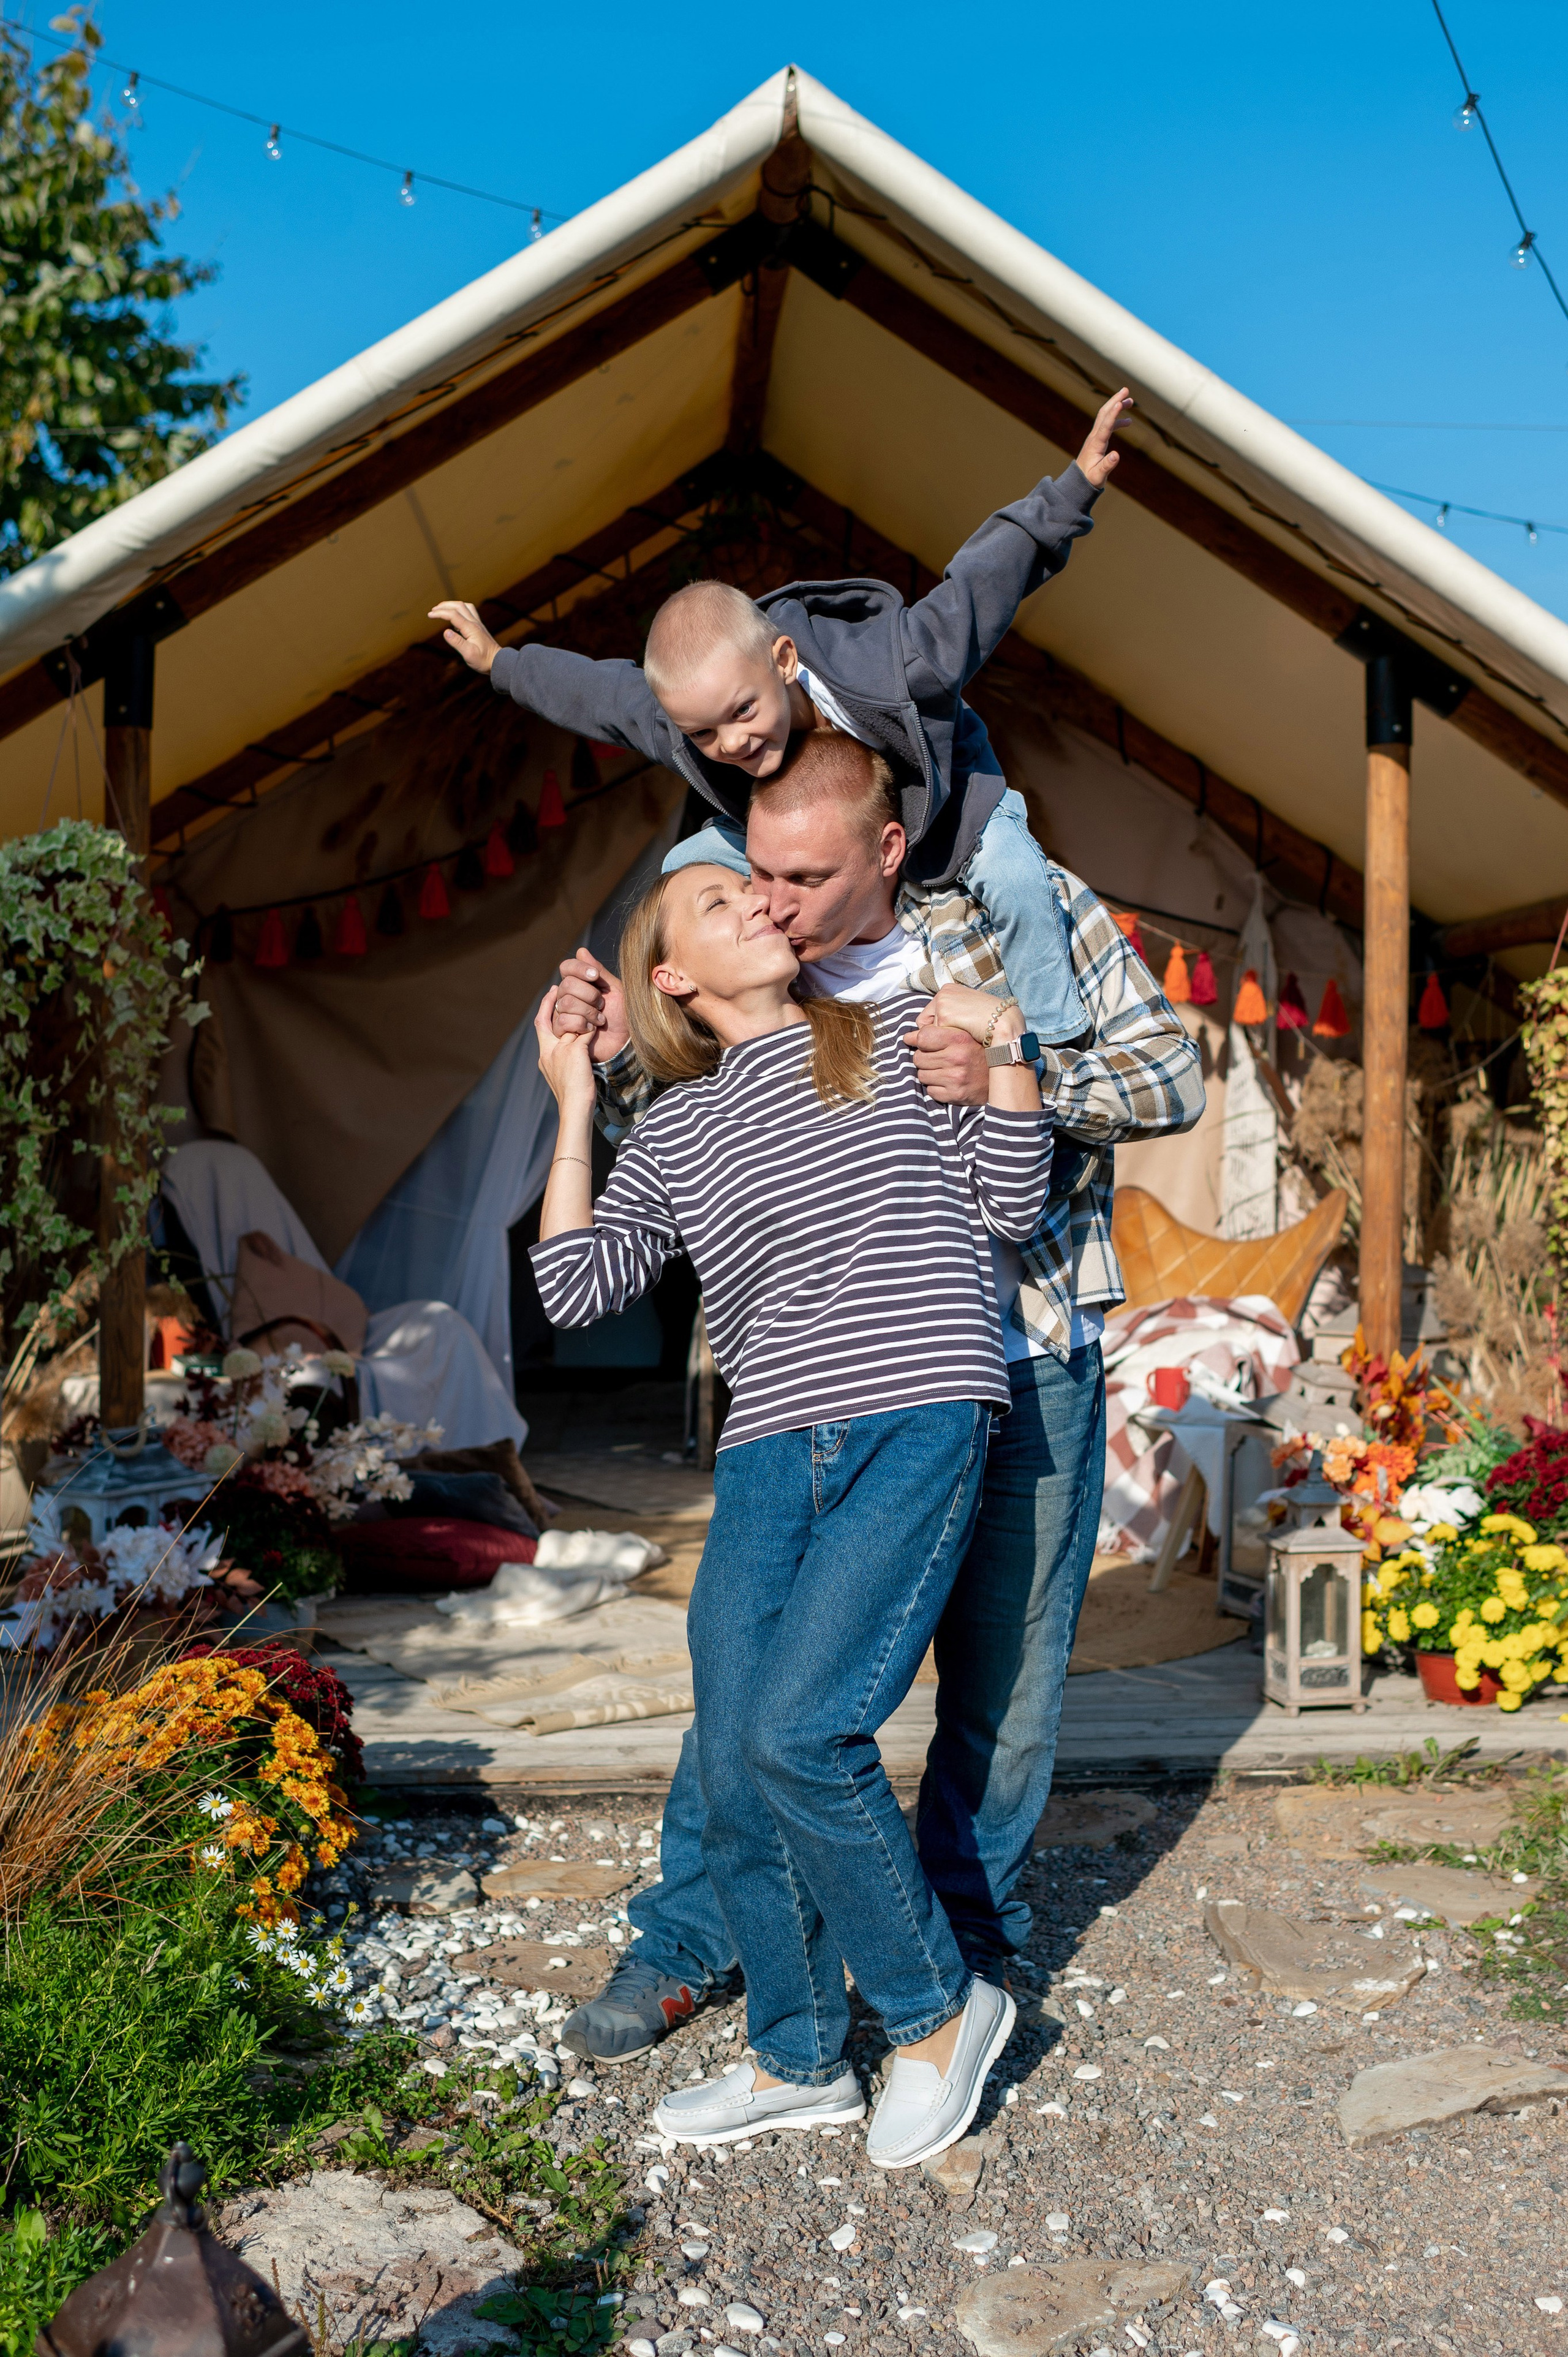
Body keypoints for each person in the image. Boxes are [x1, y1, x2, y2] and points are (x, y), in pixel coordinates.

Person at [546, 731, 1205, 2066]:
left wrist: (1007, 1066)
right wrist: (613, 1063)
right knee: (760, 1685)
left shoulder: (1003, 926)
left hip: (1020, 1346)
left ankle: (950, 1952)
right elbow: (698, 1168)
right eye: (749, 877)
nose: (771, 897)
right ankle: (698, 1934)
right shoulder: (768, 990)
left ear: (886, 852)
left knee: (1003, 1684)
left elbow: (1167, 1077)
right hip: (821, 1383)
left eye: (794, 875)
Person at [527, 810, 1057, 2166]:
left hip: (917, 1415)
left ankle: (941, 2013)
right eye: (718, 902)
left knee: (803, 1729)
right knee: (736, 1743)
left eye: (759, 887)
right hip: (770, 1450)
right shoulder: (678, 1124)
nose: (758, 903)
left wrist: (1002, 1054)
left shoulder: (885, 1035)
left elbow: (1008, 1204)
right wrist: (574, 1099)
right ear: (672, 981)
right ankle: (798, 2056)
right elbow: (573, 1287)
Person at [430, 387, 1134, 1060]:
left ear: (785, 658)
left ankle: (1058, 1039)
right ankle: (714, 1033)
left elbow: (976, 592)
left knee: (1014, 875)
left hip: (945, 813)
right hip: (799, 833)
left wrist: (1070, 492)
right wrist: (501, 662)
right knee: (682, 870)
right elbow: (596, 694)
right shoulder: (687, 726)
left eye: (743, 712)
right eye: (706, 735)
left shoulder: (892, 666)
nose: (732, 743)